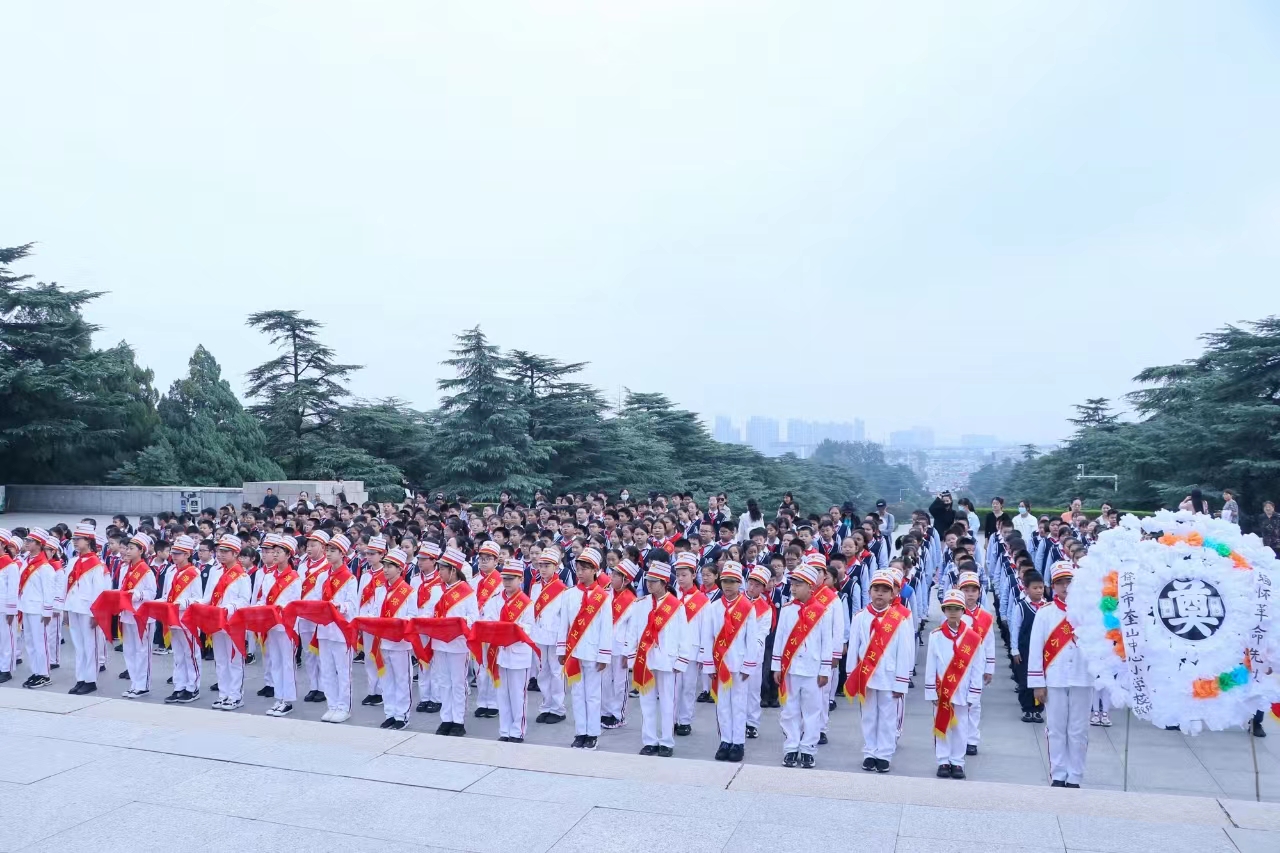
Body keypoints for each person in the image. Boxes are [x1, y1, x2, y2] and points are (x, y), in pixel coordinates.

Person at [1028, 562, 1090, 788]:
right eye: (1060, 583)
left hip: (1083, 677)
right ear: (1052, 586)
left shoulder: (1088, 612)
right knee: (1055, 728)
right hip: (1054, 678)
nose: (1065, 587)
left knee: (1078, 729)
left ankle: (1075, 776)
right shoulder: (1045, 613)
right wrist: (1037, 683)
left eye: (1069, 582)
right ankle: (1058, 773)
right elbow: (1035, 650)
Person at [846, 569, 914, 773]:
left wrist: (902, 681)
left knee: (887, 716)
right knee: (868, 715)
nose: (880, 594)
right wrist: (852, 676)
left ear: (893, 594)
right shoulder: (860, 617)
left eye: (885, 590)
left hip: (889, 676)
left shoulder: (899, 620)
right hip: (866, 676)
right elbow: (853, 649)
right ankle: (869, 752)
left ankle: (884, 754)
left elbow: (905, 652)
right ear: (869, 591)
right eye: (876, 589)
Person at [699, 561, 761, 762]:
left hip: (739, 664)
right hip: (720, 663)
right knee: (722, 705)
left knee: (739, 704)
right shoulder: (713, 607)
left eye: (733, 582)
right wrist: (708, 664)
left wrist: (748, 665)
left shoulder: (747, 607)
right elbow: (707, 637)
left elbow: (751, 639)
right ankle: (725, 740)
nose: (728, 586)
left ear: (740, 583)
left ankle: (738, 742)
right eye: (725, 581)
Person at [772, 563, 831, 769]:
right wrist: (776, 667)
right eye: (792, 584)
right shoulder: (787, 610)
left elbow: (827, 643)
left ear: (810, 586)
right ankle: (791, 747)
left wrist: (825, 669)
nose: (793, 588)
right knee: (789, 710)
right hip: (790, 668)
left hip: (813, 670)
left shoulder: (822, 611)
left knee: (812, 711)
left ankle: (808, 749)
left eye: (798, 584)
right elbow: (780, 639)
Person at [631, 561, 692, 756]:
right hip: (646, 658)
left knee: (668, 702)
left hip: (668, 659)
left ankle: (666, 741)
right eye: (648, 580)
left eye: (654, 581)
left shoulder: (676, 606)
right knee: (646, 702)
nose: (649, 584)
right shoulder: (640, 604)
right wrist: (633, 657)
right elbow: (634, 632)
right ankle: (649, 740)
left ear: (664, 582)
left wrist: (681, 660)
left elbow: (684, 634)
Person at [557, 547, 613, 750]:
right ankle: (580, 732)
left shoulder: (604, 597)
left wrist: (604, 655)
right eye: (578, 569)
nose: (580, 573)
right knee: (578, 694)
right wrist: (561, 650)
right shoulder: (569, 594)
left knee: (593, 694)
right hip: (573, 651)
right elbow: (563, 624)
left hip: (593, 651)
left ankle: (593, 734)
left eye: (585, 569)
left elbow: (606, 628)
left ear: (595, 570)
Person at [926, 590, 983, 779]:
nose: (952, 612)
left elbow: (977, 666)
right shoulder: (935, 635)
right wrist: (931, 692)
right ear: (943, 610)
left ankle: (958, 762)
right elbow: (931, 665)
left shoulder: (973, 638)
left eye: (957, 609)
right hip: (942, 689)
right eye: (949, 608)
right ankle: (942, 760)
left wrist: (974, 693)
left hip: (963, 690)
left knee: (961, 727)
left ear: (963, 611)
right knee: (942, 724)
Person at [482, 558, 536, 742]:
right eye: (504, 578)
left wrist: (513, 629)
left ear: (520, 579)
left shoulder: (527, 603)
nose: (506, 582)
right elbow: (488, 621)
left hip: (518, 653)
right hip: (499, 652)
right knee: (502, 694)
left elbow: (529, 628)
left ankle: (517, 731)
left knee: (518, 694)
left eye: (511, 578)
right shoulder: (495, 600)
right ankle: (504, 730)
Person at [430, 546, 477, 736]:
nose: (439, 572)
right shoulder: (435, 590)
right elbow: (427, 613)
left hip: (458, 644)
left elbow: (474, 617)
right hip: (439, 642)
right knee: (443, 681)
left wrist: (458, 623)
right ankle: (446, 718)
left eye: (442, 568)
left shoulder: (468, 592)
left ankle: (458, 720)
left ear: (453, 570)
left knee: (458, 682)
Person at [206, 534, 252, 710]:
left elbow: (244, 600)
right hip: (217, 621)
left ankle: (235, 696)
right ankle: (223, 694)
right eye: (219, 551)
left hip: (234, 623)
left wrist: (230, 607)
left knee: (234, 660)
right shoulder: (216, 572)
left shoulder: (242, 576)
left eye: (225, 552)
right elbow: (209, 596)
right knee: (220, 659)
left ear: (235, 554)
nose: (221, 554)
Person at [316, 533, 358, 723]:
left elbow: (352, 604)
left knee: (343, 670)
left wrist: (341, 606)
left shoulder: (349, 578)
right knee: (326, 669)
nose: (329, 554)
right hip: (324, 628)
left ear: (342, 553)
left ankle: (344, 707)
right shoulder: (323, 576)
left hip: (341, 630)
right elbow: (317, 600)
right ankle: (331, 704)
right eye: (327, 550)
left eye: (333, 551)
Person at [64, 523, 109, 696]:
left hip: (87, 610)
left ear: (88, 541)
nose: (75, 542)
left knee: (91, 645)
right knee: (79, 645)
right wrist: (65, 609)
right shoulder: (74, 561)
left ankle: (91, 680)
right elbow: (66, 586)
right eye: (74, 539)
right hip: (74, 607)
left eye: (78, 539)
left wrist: (96, 613)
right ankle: (81, 678)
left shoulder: (97, 564)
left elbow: (99, 592)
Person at [373, 548, 416, 730]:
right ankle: (390, 712)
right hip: (383, 640)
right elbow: (374, 613)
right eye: (385, 566)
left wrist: (397, 623)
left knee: (401, 679)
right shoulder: (380, 590)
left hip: (400, 642)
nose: (386, 570)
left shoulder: (409, 592)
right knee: (386, 679)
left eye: (391, 566)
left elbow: (412, 617)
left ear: (400, 569)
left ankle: (402, 715)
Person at [258, 533, 300, 717]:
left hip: (286, 626)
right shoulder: (268, 576)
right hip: (271, 624)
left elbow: (294, 603)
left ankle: (288, 700)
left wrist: (279, 609)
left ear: (288, 555)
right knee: (274, 661)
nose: (274, 555)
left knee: (287, 663)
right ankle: (278, 696)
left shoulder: (295, 577)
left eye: (279, 552)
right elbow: (263, 598)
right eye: (273, 552)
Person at [159, 535, 202, 704]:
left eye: (179, 553)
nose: (175, 555)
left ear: (188, 554)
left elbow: (198, 598)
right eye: (174, 552)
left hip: (187, 619)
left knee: (190, 654)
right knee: (178, 655)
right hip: (172, 618)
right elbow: (166, 595)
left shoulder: (194, 573)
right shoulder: (170, 571)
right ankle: (179, 686)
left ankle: (192, 687)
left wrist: (181, 603)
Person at [957, 570, 995, 755]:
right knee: (957, 703)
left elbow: (989, 643)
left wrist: (989, 668)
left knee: (974, 703)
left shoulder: (985, 616)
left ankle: (972, 739)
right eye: (966, 589)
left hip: (977, 667)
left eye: (974, 590)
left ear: (980, 592)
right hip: (956, 667)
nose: (970, 594)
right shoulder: (952, 613)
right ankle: (958, 737)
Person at [530, 546, 569, 725]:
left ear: (556, 566)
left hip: (555, 637)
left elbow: (564, 619)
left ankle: (558, 708)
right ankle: (546, 705)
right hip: (539, 635)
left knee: (556, 672)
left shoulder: (563, 589)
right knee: (542, 672)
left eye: (547, 565)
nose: (543, 569)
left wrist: (562, 642)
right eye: (541, 565)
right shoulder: (536, 587)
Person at [672, 551, 710, 736]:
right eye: (678, 575)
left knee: (687, 687)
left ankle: (684, 720)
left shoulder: (702, 601)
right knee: (671, 688)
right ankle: (670, 718)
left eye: (684, 575)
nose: (680, 578)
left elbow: (705, 629)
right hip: (672, 649)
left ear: (694, 575)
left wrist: (703, 653)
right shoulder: (671, 597)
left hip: (692, 650)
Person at [17, 528, 59, 689]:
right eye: (26, 540)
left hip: (39, 610)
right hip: (27, 607)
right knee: (30, 642)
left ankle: (44, 674)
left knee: (40, 642)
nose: (26, 543)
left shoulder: (44, 567)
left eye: (30, 541)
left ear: (39, 544)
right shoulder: (27, 561)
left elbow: (49, 591)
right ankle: (36, 671)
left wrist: (47, 611)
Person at [601, 558, 640, 729]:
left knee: (620, 682)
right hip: (605, 644)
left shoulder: (632, 601)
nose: (612, 577)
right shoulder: (606, 593)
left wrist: (628, 652)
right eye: (613, 573)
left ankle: (618, 714)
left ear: (626, 580)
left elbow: (633, 631)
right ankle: (605, 712)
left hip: (621, 647)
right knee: (604, 680)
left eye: (617, 575)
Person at [118, 531, 157, 697]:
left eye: (131, 548)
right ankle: (134, 682)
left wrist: (136, 594)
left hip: (142, 616)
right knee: (129, 650)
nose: (127, 551)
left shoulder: (146, 571)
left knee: (142, 651)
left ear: (141, 551)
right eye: (127, 548)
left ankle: (143, 685)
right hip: (127, 614)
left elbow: (152, 593)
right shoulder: (125, 569)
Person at [297, 530, 331, 703]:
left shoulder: (327, 567)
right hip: (303, 616)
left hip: (318, 617)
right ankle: (313, 686)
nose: (309, 549)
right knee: (309, 653)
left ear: (323, 547)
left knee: (321, 653)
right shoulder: (302, 565)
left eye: (313, 545)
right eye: (308, 545)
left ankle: (324, 687)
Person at [1008, 570, 1046, 723]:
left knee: (1041, 681)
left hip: (1043, 652)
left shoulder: (1046, 606)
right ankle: (1027, 709)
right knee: (1025, 681)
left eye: (1041, 587)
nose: (1038, 591)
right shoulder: (1021, 607)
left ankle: (1037, 710)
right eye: (1035, 588)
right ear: (1026, 589)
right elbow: (1015, 628)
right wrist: (1014, 649)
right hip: (1025, 650)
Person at [356, 534, 389, 709]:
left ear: (382, 555)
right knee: (369, 657)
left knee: (380, 656)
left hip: (379, 622)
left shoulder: (386, 575)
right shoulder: (365, 575)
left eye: (373, 554)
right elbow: (359, 597)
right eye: (367, 554)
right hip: (365, 621)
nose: (369, 557)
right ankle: (372, 690)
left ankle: (382, 691)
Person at [411, 541, 444, 714]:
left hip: (434, 624)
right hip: (418, 623)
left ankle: (436, 698)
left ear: (433, 561)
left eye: (424, 559)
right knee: (422, 660)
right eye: (419, 559)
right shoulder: (415, 579)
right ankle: (425, 696)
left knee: (436, 661)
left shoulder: (441, 580)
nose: (420, 562)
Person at [472, 539, 503, 719]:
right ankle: (482, 701)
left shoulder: (501, 581)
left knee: (493, 665)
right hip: (478, 628)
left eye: (488, 559)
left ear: (496, 561)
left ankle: (494, 702)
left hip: (493, 628)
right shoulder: (473, 581)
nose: (484, 562)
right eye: (481, 558)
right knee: (480, 666)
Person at [743, 564, 774, 739]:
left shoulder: (766, 608)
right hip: (736, 653)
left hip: (755, 655)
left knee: (753, 690)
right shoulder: (738, 601)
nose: (753, 588)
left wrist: (751, 648)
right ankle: (739, 720)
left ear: (763, 588)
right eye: (751, 583)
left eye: (757, 585)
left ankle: (752, 723)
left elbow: (763, 633)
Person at [0, 530, 19, 684]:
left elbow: (13, 590)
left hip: (5, 607)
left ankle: (6, 669)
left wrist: (11, 610)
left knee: (7, 639)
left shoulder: (10, 565)